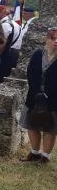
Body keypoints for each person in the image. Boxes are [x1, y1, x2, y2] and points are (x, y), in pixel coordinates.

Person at [19, 27, 57, 163]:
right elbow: (30, 73)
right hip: (34, 96)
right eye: (53, 38)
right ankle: (34, 153)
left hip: (53, 99)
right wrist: (37, 91)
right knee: (31, 124)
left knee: (49, 128)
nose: (55, 41)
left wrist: (48, 93)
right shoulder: (37, 54)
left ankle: (45, 156)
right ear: (46, 39)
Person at [0, 5, 22, 77]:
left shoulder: (5, 25)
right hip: (15, 52)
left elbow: (2, 43)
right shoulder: (14, 23)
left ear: (2, 13)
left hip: (8, 54)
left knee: (3, 76)